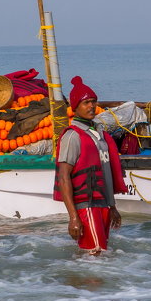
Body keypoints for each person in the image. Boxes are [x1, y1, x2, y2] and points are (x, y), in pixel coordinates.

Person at [54, 76, 127, 254]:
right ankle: (79, 281)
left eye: (93, 101)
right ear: (75, 107)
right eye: (85, 102)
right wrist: (73, 217)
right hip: (86, 205)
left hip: (102, 205)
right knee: (94, 254)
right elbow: (64, 178)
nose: (91, 106)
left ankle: (82, 281)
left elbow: (106, 174)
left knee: (99, 254)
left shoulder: (100, 135)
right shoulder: (72, 136)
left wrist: (113, 207)